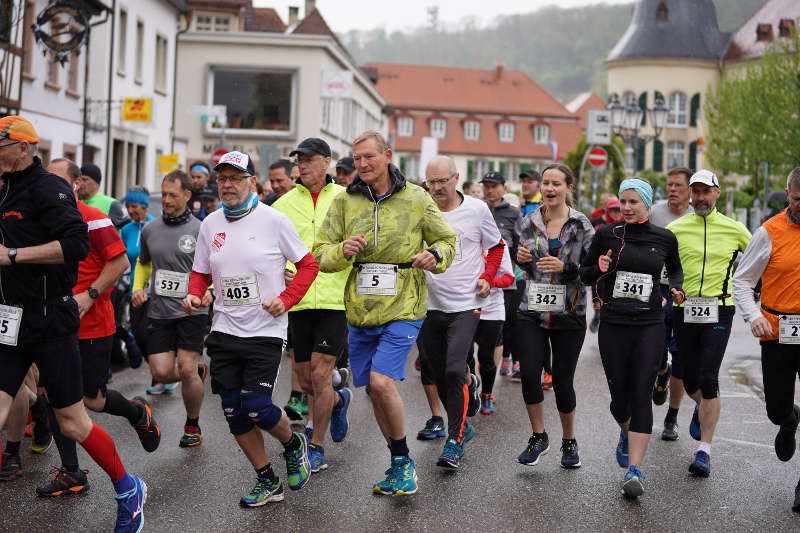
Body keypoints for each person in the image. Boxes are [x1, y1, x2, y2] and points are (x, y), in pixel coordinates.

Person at [0, 116, 146, 531]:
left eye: (0, 146)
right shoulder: (3, 188)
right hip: (10, 319)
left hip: (50, 319)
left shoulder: (50, 189)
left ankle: (127, 487)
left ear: (24, 148)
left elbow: (75, 246)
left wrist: (12, 256)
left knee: (73, 421)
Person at [314, 131, 455, 495]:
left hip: (405, 304)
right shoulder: (346, 201)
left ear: (387, 155)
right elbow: (319, 252)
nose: (361, 164)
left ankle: (405, 462)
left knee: (381, 382)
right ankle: (396, 461)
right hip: (360, 310)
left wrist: (434, 256)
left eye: (368, 157)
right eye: (356, 158)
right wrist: (342, 250)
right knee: (373, 391)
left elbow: (447, 241)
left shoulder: (416, 197)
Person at [183, 151, 319, 507]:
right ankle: (267, 480)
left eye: (235, 178)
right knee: (233, 410)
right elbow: (200, 271)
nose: (227, 185)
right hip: (225, 329)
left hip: (265, 329)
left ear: (251, 182)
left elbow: (307, 266)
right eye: (222, 179)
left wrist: (286, 300)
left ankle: (293, 444)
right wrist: (195, 294)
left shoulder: (274, 221)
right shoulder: (210, 224)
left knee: (257, 405)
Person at [38, 157, 160, 496]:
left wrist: (89, 296)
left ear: (76, 184)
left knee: (91, 399)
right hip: (53, 326)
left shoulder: (93, 218)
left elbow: (120, 262)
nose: (51, 187)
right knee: (53, 397)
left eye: (58, 180)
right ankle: (71, 471)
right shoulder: (41, 221)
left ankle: (138, 412)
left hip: (93, 324)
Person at [580, 178, 684, 499]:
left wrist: (677, 289)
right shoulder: (606, 235)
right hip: (614, 322)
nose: (626, 207)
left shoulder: (664, 237)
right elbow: (584, 274)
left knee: (641, 391)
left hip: (650, 323)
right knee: (619, 396)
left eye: (633, 202)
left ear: (647, 205)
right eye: (622, 202)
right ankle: (625, 432)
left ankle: (634, 470)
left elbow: (675, 270)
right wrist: (598, 267)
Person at [418, 155, 504, 469]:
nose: (437, 188)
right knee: (438, 373)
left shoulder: (477, 210)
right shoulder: (420, 208)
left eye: (443, 181)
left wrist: (487, 277)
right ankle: (461, 423)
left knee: (455, 370)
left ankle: (454, 439)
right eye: (432, 182)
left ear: (456, 178)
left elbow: (496, 247)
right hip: (428, 305)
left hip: (466, 304)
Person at [272, 138, 352, 473]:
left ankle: (316, 445)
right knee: (305, 381)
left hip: (335, 299)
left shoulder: (348, 199)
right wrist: (280, 274)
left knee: (319, 375)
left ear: (327, 162)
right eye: (299, 160)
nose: (302, 165)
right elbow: (270, 249)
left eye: (309, 159)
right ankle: (338, 399)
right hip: (299, 301)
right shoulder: (283, 204)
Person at [666, 169, 751, 477]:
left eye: (706, 191)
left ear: (717, 193)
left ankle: (704, 451)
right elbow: (664, 267)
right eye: (696, 192)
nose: (700, 198)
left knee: (708, 375)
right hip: (684, 309)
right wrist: (671, 288)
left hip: (719, 309)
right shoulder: (675, 228)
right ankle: (700, 406)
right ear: (690, 195)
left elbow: (758, 261)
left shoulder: (735, 229)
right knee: (689, 380)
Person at [514, 164, 594, 469]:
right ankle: (538, 435)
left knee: (562, 381)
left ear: (568, 188)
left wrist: (566, 268)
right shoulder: (529, 221)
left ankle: (569, 440)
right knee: (531, 374)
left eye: (556, 183)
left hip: (569, 311)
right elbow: (520, 261)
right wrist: (519, 258)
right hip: (531, 309)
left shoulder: (582, 225)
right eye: (546, 183)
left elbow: (592, 271)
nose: (550, 188)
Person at [733, 166, 800, 513]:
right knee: (776, 408)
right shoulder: (769, 231)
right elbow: (742, 282)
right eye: (798, 198)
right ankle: (788, 420)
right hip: (778, 329)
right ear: (788, 194)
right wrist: (754, 316)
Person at [131, 170, 211, 448]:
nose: (165, 200)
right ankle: (196, 373)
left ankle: (192, 425)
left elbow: (215, 267)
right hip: (160, 310)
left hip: (192, 310)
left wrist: (209, 292)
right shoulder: (150, 229)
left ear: (187, 196)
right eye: (163, 194)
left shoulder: (202, 229)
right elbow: (143, 262)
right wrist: (137, 289)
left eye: (172, 195)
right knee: (163, 372)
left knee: (186, 367)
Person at [648, 167, 694, 439]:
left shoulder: (696, 216)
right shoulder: (655, 212)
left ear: (690, 189)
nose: (672, 189)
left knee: (681, 357)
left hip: (686, 293)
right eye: (669, 185)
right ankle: (661, 373)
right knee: (655, 351)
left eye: (678, 185)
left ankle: (672, 417)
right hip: (658, 289)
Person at [482, 171, 523, 381]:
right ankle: (483, 369)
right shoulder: (477, 209)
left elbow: (520, 244)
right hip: (478, 279)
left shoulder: (514, 214)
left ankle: (506, 360)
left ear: (504, 189)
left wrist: (521, 264)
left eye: (494, 186)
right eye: (487, 186)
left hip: (505, 278)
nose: (490, 190)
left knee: (507, 323)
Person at [472, 247, 515, 415]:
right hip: (468, 306)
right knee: (466, 355)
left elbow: (509, 278)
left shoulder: (498, 243)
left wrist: (489, 282)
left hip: (493, 309)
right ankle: (470, 391)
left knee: (485, 356)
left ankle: (487, 395)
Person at [77, 163, 130, 229]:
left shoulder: (112, 204)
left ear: (97, 183)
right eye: (79, 179)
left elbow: (129, 229)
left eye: (85, 180)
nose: (80, 183)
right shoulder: (74, 201)